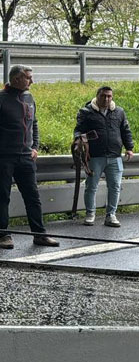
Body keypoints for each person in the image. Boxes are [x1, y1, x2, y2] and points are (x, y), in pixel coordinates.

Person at [0, 65, 59, 248]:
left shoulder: (29, 97)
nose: (32, 81)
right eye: (28, 77)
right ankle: (3, 235)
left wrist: (35, 147)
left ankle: (39, 234)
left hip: (26, 157)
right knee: (2, 197)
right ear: (16, 79)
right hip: (4, 157)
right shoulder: (1, 99)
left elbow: (34, 123)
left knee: (32, 196)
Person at [74, 86, 134, 227]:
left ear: (112, 97)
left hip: (115, 155)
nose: (106, 99)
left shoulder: (119, 112)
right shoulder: (86, 112)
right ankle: (90, 214)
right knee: (91, 187)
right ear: (97, 96)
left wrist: (129, 148)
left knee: (115, 186)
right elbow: (78, 130)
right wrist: (78, 140)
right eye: (103, 96)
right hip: (94, 156)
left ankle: (111, 215)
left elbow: (125, 130)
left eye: (109, 96)